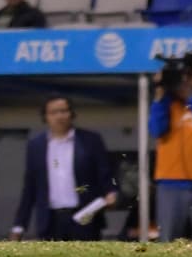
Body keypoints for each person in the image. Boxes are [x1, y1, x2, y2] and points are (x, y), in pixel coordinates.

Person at [11, 96, 116, 241]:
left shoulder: (90, 140)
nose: (59, 116)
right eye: (53, 112)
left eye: (63, 111)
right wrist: (19, 225)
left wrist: (111, 192)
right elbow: (30, 187)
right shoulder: (36, 146)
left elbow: (104, 172)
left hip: (84, 216)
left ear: (71, 113)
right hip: (50, 219)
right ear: (45, 117)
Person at [148, 58, 192, 241]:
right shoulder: (167, 105)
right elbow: (156, 130)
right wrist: (160, 95)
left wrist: (189, 97)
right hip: (170, 182)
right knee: (168, 238)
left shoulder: (190, 101)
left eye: (189, 76)